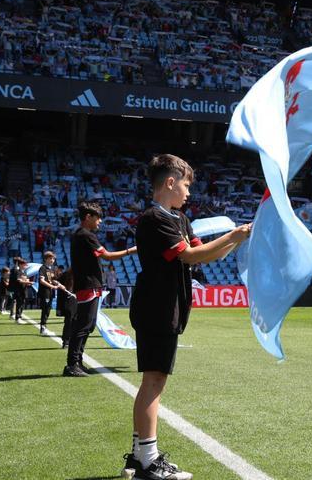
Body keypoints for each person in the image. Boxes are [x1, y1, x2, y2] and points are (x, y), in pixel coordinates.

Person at [123, 154, 250, 480]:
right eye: (186, 184)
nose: (189, 192)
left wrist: (237, 239)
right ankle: (149, 461)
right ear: (170, 182)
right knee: (154, 381)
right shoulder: (155, 219)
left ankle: (139, 457)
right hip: (157, 307)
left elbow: (204, 256)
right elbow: (191, 255)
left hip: (169, 306)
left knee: (154, 381)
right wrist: (234, 235)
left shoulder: (178, 218)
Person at [63, 201, 137, 378]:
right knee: (83, 326)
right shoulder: (86, 235)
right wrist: (132, 250)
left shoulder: (80, 235)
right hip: (88, 285)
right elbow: (108, 256)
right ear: (88, 217)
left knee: (87, 325)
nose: (101, 221)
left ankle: (77, 362)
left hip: (89, 284)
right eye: (98, 218)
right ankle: (72, 365)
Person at [38, 251, 64, 334]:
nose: (52, 260)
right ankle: (43, 327)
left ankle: (44, 326)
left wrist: (57, 283)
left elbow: (53, 280)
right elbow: (41, 280)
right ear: (46, 259)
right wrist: (52, 286)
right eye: (50, 258)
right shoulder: (43, 268)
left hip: (51, 292)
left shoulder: (52, 269)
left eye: (53, 258)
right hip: (45, 292)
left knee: (48, 310)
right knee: (45, 310)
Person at [57, 266, 76, 349]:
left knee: (74, 321)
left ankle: (69, 340)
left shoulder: (80, 275)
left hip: (77, 300)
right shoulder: (65, 274)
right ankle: (66, 340)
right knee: (69, 321)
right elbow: (54, 280)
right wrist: (60, 285)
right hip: (69, 300)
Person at [9, 257, 33, 322]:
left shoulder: (24, 272)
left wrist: (28, 283)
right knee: (19, 304)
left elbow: (26, 279)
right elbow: (19, 280)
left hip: (24, 290)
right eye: (24, 264)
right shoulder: (17, 272)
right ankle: (18, 317)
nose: (26, 266)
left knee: (22, 303)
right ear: (20, 265)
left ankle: (20, 316)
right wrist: (28, 282)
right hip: (18, 290)